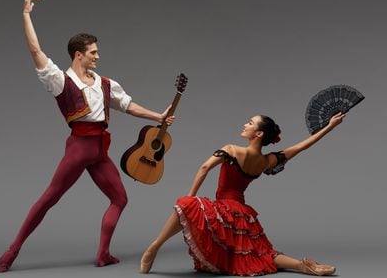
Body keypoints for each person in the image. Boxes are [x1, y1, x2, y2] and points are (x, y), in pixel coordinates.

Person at [0, 0, 175, 272]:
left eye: (97, 52)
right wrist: (26, 14)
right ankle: (12, 250)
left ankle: (103, 254)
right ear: (78, 54)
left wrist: (159, 116)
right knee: (49, 198)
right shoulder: (60, 80)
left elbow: (127, 105)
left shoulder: (105, 83)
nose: (98, 56)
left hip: (99, 151)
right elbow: (35, 50)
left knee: (120, 199)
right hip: (79, 148)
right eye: (93, 52)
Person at [140, 112, 346, 276]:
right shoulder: (266, 161)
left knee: (186, 204)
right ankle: (303, 265)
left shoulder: (231, 149)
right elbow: (301, 147)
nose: (245, 125)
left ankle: (155, 246)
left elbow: (204, 168)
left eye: (250, 123)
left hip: (225, 208)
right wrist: (330, 126)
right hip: (243, 214)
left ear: (259, 134)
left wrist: (191, 196)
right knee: (261, 252)